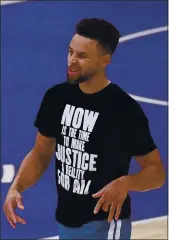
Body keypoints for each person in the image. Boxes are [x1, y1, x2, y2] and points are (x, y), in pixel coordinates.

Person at [3, 18, 165, 239]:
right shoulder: (56, 97)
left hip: (106, 225)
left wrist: (126, 182)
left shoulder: (124, 110)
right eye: (70, 52)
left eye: (82, 56)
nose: (71, 61)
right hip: (66, 221)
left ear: (104, 61)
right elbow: (41, 153)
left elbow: (156, 173)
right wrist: (16, 187)